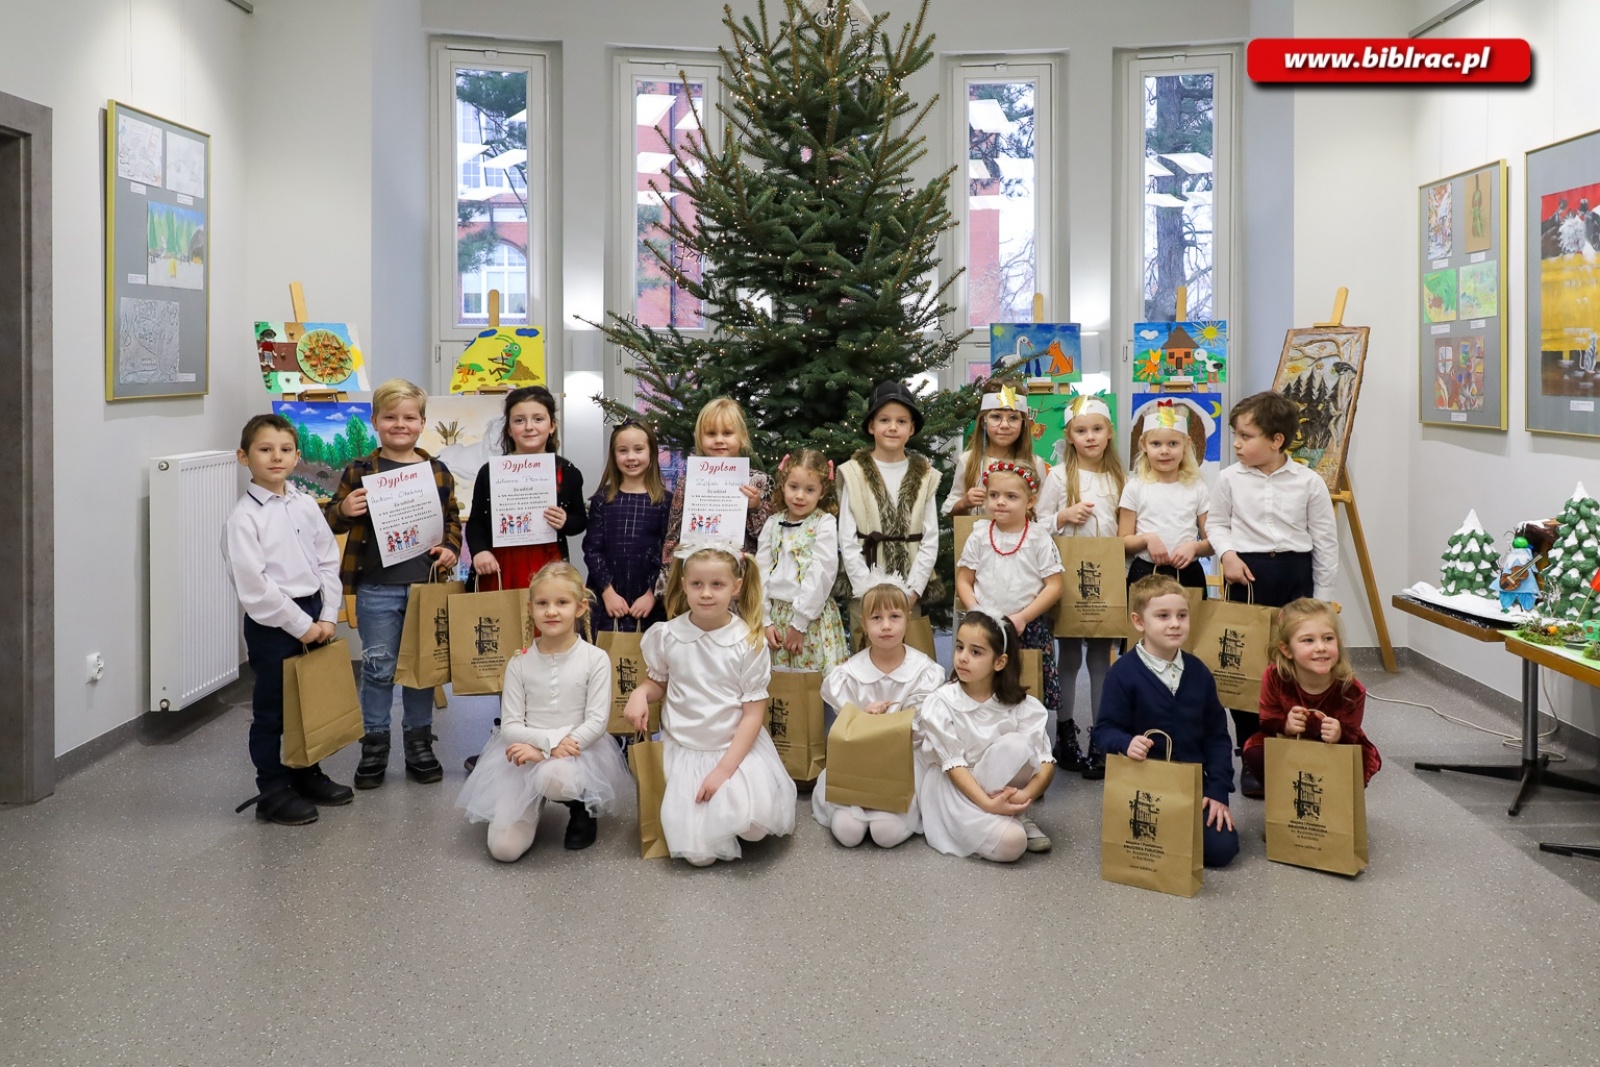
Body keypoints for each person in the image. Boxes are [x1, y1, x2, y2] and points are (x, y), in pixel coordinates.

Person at [624, 539, 797, 865]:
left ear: (736, 586)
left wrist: (722, 772)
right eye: (697, 584)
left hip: (732, 746)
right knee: (698, 856)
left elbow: (752, 716)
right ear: (683, 584)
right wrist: (640, 694)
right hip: (686, 746)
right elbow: (656, 683)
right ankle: (713, 820)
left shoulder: (748, 641)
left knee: (755, 826)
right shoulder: (668, 635)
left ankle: (730, 810)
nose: (706, 593)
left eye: (717, 584)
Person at [325, 379, 461, 789]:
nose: (399, 425)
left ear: (422, 423)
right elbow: (331, 519)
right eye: (390, 417)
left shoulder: (436, 470)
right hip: (376, 588)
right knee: (378, 667)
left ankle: (420, 743)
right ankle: (375, 744)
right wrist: (344, 509)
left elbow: (452, 520)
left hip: (424, 586)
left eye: (409, 417)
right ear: (374, 422)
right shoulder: (360, 471)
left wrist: (452, 548)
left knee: (422, 668)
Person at [1206, 390, 1338, 798]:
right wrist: (1226, 554)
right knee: (1245, 670)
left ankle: (1294, 746)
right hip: (1245, 574)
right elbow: (1215, 524)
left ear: (1276, 440)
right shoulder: (1229, 478)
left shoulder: (1309, 482)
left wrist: (1323, 604)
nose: (1237, 444)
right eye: (1236, 435)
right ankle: (1251, 752)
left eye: (1246, 436)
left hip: (1294, 576)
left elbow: (1325, 542)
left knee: (1293, 666)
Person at [222, 414, 351, 826]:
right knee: (273, 710)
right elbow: (256, 588)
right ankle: (273, 790)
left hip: (315, 611)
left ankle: (304, 771)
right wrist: (302, 626)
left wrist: (328, 615)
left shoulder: (305, 504)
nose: (275, 457)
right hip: (275, 624)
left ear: (297, 457)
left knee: (308, 703)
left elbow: (328, 558)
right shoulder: (243, 520)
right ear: (244, 457)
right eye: (264, 449)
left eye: (284, 449)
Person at [455, 562, 632, 861]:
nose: (551, 611)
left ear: (579, 607)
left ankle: (581, 808)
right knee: (504, 850)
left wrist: (547, 752)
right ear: (530, 608)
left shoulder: (596, 659)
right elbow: (510, 724)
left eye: (561, 602)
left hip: (579, 750)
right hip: (524, 750)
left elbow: (597, 722)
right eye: (542, 603)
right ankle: (529, 801)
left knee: (555, 778)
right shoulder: (519, 663)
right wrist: (543, 746)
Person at [1093, 574, 1239, 868]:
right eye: (1163, 616)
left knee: (1222, 851)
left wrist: (1218, 791)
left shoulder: (1198, 672)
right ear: (1138, 622)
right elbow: (1103, 732)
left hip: (1191, 786)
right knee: (1146, 845)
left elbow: (1217, 736)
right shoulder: (1122, 674)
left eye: (1181, 615)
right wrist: (1125, 742)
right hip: (1143, 786)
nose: (1174, 623)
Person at [955, 459, 1063, 833]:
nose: (1001, 503)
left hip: (1025, 629)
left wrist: (1022, 617)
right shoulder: (979, 534)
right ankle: (983, 759)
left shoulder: (1038, 537)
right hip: (985, 631)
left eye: (1011, 496)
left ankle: (1029, 771)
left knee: (1025, 696)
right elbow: (965, 579)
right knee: (985, 694)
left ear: (1030, 500)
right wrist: (979, 614)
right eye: (995, 495)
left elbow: (1054, 585)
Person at [810, 573, 947, 848]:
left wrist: (892, 724)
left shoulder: (924, 672)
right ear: (864, 623)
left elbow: (921, 728)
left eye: (894, 617)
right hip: (859, 760)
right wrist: (862, 718)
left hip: (904, 761)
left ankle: (892, 812)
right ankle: (852, 809)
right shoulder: (848, 675)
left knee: (886, 834)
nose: (886, 626)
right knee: (847, 832)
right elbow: (844, 728)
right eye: (876, 618)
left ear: (907, 619)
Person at [914, 609, 1056, 861]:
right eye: (959, 648)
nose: (963, 658)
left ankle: (1014, 812)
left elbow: (1045, 763)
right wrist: (988, 804)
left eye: (976, 652)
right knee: (1014, 844)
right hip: (955, 791)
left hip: (999, 789)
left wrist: (1026, 795)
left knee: (1018, 745)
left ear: (999, 662)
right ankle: (999, 815)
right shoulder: (941, 702)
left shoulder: (1023, 706)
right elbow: (954, 766)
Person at [1037, 392, 1127, 778]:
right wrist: (1063, 514)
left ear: (1109, 433)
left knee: (1102, 659)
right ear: (1070, 436)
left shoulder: (1122, 478)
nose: (1089, 437)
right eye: (1081, 430)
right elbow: (1038, 524)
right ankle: (1065, 731)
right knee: (1069, 656)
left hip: (1110, 578)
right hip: (1071, 576)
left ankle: (1101, 737)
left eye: (1096, 429)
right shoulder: (1058, 476)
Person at [838, 380, 942, 646]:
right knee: (865, 654)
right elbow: (847, 539)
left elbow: (930, 539)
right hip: (865, 586)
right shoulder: (854, 473)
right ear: (872, 426)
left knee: (910, 653)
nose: (893, 427)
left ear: (912, 428)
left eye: (901, 421)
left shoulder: (926, 476)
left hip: (909, 585)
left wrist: (913, 591)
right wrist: (866, 589)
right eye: (884, 420)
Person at [1241, 597, 1380, 788]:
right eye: (1308, 640)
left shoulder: (1351, 690)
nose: (1321, 648)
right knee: (1254, 749)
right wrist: (1286, 726)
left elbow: (1352, 735)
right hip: (1291, 744)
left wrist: (1339, 734)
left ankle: (1333, 798)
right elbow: (1267, 722)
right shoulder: (1275, 676)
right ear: (1286, 649)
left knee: (1359, 761)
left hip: (1332, 750)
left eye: (1328, 638)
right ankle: (1282, 793)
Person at [467, 385, 587, 593]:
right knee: (501, 622)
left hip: (549, 564)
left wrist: (566, 521)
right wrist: (480, 551)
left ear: (552, 426)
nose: (529, 427)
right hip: (499, 566)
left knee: (547, 620)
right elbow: (476, 521)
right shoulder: (489, 472)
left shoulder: (568, 473)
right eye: (519, 420)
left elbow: (580, 521)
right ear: (509, 430)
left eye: (538, 419)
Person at [756, 449, 848, 674]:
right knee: (780, 687)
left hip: (810, 618)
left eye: (809, 490)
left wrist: (799, 623)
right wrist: (765, 620)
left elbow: (822, 574)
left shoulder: (823, 523)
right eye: (793, 487)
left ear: (821, 491)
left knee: (813, 683)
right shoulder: (772, 523)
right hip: (775, 615)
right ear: (783, 485)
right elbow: (759, 572)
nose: (799, 496)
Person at [659, 397, 774, 576]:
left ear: (742, 437)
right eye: (711, 434)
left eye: (727, 433)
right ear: (700, 438)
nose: (719, 440)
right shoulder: (688, 482)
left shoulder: (759, 481)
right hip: (697, 575)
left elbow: (771, 538)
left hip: (742, 577)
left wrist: (756, 507)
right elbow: (674, 535)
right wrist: (668, 580)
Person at [585, 420, 670, 632]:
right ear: (614, 456)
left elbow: (669, 553)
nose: (631, 457)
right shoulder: (602, 501)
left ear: (652, 453)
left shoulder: (666, 501)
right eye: (623, 451)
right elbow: (592, 550)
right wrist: (607, 591)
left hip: (651, 601)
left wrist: (652, 593)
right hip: (608, 599)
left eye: (638, 449)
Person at [1118, 398, 1211, 592]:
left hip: (1188, 573)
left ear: (1186, 444)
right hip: (1145, 573)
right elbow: (1123, 540)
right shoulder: (1134, 487)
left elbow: (1212, 541)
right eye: (1156, 444)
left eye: (1173, 443)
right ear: (1144, 445)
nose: (1165, 451)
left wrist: (1194, 547)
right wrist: (1147, 539)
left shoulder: (1197, 487)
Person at [944, 381, 1045, 517]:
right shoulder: (967, 460)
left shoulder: (1034, 463)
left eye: (1013, 418)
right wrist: (965, 502)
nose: (1004, 425)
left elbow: (1042, 511)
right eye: (996, 417)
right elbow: (952, 510)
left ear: (1023, 424)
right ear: (983, 422)